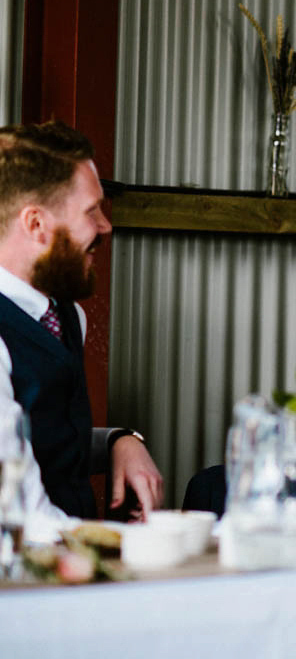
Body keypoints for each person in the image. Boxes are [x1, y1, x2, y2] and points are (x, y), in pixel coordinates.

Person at [0, 121, 163, 520]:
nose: (106, 226)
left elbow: (43, 441)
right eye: (92, 211)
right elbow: (21, 516)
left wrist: (118, 442)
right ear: (36, 224)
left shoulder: (67, 316)